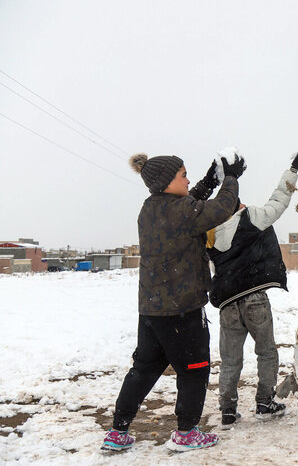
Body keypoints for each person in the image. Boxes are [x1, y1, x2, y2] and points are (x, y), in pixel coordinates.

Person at [101, 152, 244, 452]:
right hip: (182, 309)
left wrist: (207, 183)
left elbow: (187, 207)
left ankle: (118, 430)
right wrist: (230, 179)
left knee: (144, 368)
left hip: (152, 308)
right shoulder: (181, 212)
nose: (188, 179)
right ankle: (187, 433)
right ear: (168, 181)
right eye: (183, 174)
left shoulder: (150, 208)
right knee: (195, 368)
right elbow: (220, 209)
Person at [206, 152, 298, 429]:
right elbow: (279, 201)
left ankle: (228, 410)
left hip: (228, 304)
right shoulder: (251, 218)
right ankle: (264, 403)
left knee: (231, 359)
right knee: (266, 352)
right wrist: (293, 168)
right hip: (255, 298)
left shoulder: (208, 232)